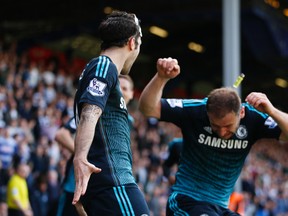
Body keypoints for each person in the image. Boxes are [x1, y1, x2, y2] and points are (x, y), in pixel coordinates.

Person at [138, 57, 288, 216]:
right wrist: (161, 78)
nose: (222, 132)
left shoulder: (253, 118)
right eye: (215, 126)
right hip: (187, 201)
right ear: (207, 113)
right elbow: (148, 109)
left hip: (221, 208)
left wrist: (272, 111)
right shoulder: (196, 111)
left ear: (241, 113)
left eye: (228, 126)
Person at [72, 10, 148, 214]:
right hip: (113, 181)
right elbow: (90, 113)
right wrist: (79, 158)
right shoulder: (104, 66)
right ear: (132, 43)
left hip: (108, 182)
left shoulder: (101, 68)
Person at [55, 74, 135, 216]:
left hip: (105, 187)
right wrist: (85, 155)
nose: (122, 91)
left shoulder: (129, 121)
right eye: (119, 87)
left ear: (131, 94)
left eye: (125, 88)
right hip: (75, 187)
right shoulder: (96, 108)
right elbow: (61, 134)